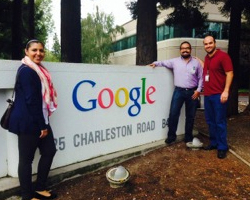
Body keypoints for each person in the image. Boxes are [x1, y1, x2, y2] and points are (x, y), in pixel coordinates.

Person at [9, 39, 58, 200]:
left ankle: (39, 188)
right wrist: (42, 126)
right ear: (26, 51)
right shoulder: (27, 71)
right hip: (28, 123)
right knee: (26, 159)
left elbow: (40, 100)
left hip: (40, 120)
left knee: (49, 151)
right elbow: (32, 101)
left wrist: (44, 124)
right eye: (34, 50)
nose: (38, 53)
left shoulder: (39, 71)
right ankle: (27, 196)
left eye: (41, 50)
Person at [149, 41, 203, 145]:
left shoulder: (196, 63)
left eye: (187, 48)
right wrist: (155, 63)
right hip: (179, 91)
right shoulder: (175, 61)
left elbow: (201, 77)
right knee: (173, 114)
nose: (185, 50)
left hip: (193, 92)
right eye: (183, 48)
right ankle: (171, 137)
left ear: (190, 50)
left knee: (190, 116)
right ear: (180, 50)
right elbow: (163, 62)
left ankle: (188, 137)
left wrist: (198, 90)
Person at [202, 35, 233, 159]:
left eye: (210, 43)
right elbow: (209, 70)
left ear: (215, 43)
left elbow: (230, 73)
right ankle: (214, 143)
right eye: (206, 44)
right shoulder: (207, 57)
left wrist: (226, 91)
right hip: (208, 95)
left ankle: (222, 147)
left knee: (220, 122)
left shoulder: (223, 56)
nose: (208, 46)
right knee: (210, 121)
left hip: (219, 95)